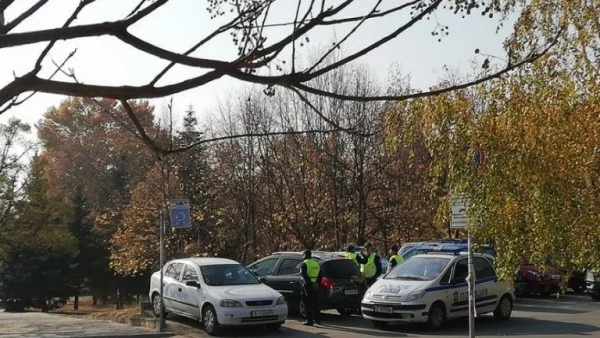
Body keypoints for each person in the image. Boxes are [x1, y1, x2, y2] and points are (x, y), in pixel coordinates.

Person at [300, 250, 321, 326]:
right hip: (315, 286)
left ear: (305, 255)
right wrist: (317, 283)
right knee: (315, 303)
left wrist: (309, 283)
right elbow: (320, 274)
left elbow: (304, 275)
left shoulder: (304, 264)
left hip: (307, 286)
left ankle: (309, 321)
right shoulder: (316, 263)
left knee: (307, 303)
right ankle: (317, 319)